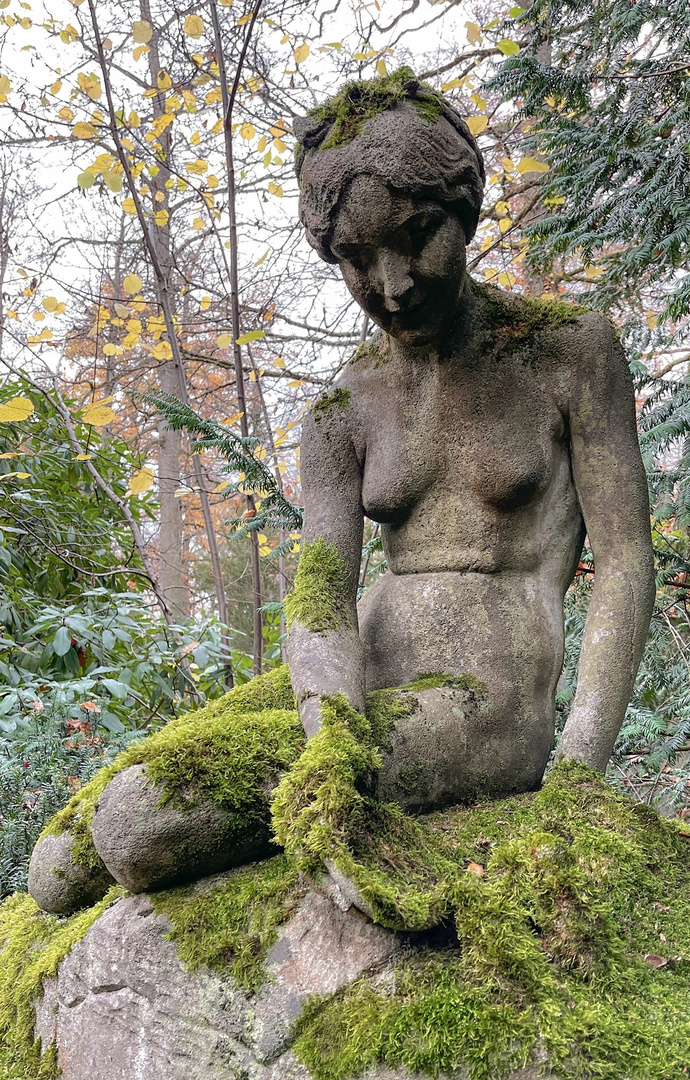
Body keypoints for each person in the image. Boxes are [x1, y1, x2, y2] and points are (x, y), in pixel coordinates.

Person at [288, 68, 655, 799]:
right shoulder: (340, 409)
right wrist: (329, 730)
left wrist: (579, 765)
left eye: (417, 236)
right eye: (357, 260)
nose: (391, 285)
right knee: (99, 829)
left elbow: (623, 559)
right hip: (358, 690)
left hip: (492, 697)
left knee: (148, 820)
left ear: (464, 211)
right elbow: (322, 602)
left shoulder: (566, 354)